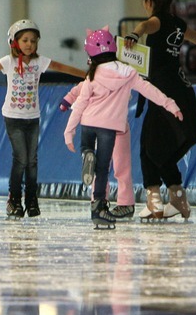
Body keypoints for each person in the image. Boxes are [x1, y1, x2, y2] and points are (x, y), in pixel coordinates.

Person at [0, 19, 86, 219]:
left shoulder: (39, 62)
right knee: (21, 159)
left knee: (32, 161)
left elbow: (63, 67)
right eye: (25, 40)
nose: (29, 44)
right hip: (13, 117)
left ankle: (32, 199)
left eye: (33, 41)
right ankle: (14, 199)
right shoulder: (8, 62)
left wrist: (88, 75)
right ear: (14, 42)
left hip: (32, 118)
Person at [124, 0, 196, 221]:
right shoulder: (178, 24)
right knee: (163, 147)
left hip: (163, 93)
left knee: (149, 146)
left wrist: (133, 34)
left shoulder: (155, 21)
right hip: (182, 91)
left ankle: (154, 199)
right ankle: (177, 197)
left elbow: (144, 26)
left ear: (149, 2)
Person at [64, 26, 183, 229]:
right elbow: (150, 90)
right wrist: (170, 104)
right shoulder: (128, 73)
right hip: (111, 127)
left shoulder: (92, 75)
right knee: (110, 168)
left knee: (96, 163)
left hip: (88, 123)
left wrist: (69, 131)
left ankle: (87, 158)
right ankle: (111, 206)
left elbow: (80, 102)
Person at [60, 82, 135, 220]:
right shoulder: (115, 76)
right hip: (114, 124)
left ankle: (99, 201)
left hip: (101, 124)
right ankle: (124, 203)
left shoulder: (97, 77)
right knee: (118, 166)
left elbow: (79, 89)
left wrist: (67, 100)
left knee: (102, 167)